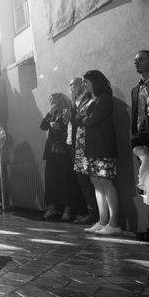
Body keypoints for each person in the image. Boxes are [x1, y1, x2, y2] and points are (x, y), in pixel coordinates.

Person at [75, 70, 121, 236]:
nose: (84, 84)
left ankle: (114, 223)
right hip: (86, 146)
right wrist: (81, 118)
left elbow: (92, 119)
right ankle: (102, 220)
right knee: (96, 183)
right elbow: (77, 117)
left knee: (106, 182)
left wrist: (82, 119)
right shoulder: (87, 99)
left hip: (101, 145)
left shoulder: (105, 98)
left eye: (86, 81)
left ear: (96, 82)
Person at [40, 92, 84, 221]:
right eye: (51, 101)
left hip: (64, 151)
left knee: (66, 181)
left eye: (54, 101)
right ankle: (52, 207)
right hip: (52, 152)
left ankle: (67, 209)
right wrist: (49, 113)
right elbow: (43, 126)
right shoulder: (52, 114)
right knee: (52, 181)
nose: (52, 103)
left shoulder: (67, 112)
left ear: (60, 101)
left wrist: (60, 128)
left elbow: (71, 130)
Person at [67, 77, 99, 224]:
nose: (71, 88)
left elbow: (79, 120)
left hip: (87, 143)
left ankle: (97, 213)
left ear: (81, 85)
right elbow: (73, 121)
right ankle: (90, 211)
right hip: (73, 144)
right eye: (70, 85)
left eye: (73, 85)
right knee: (82, 180)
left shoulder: (89, 98)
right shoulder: (73, 102)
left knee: (91, 179)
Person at [131, 50, 149, 241]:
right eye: (135, 61)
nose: (136, 63)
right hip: (142, 143)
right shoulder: (136, 90)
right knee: (148, 186)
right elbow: (136, 117)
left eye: (141, 59)